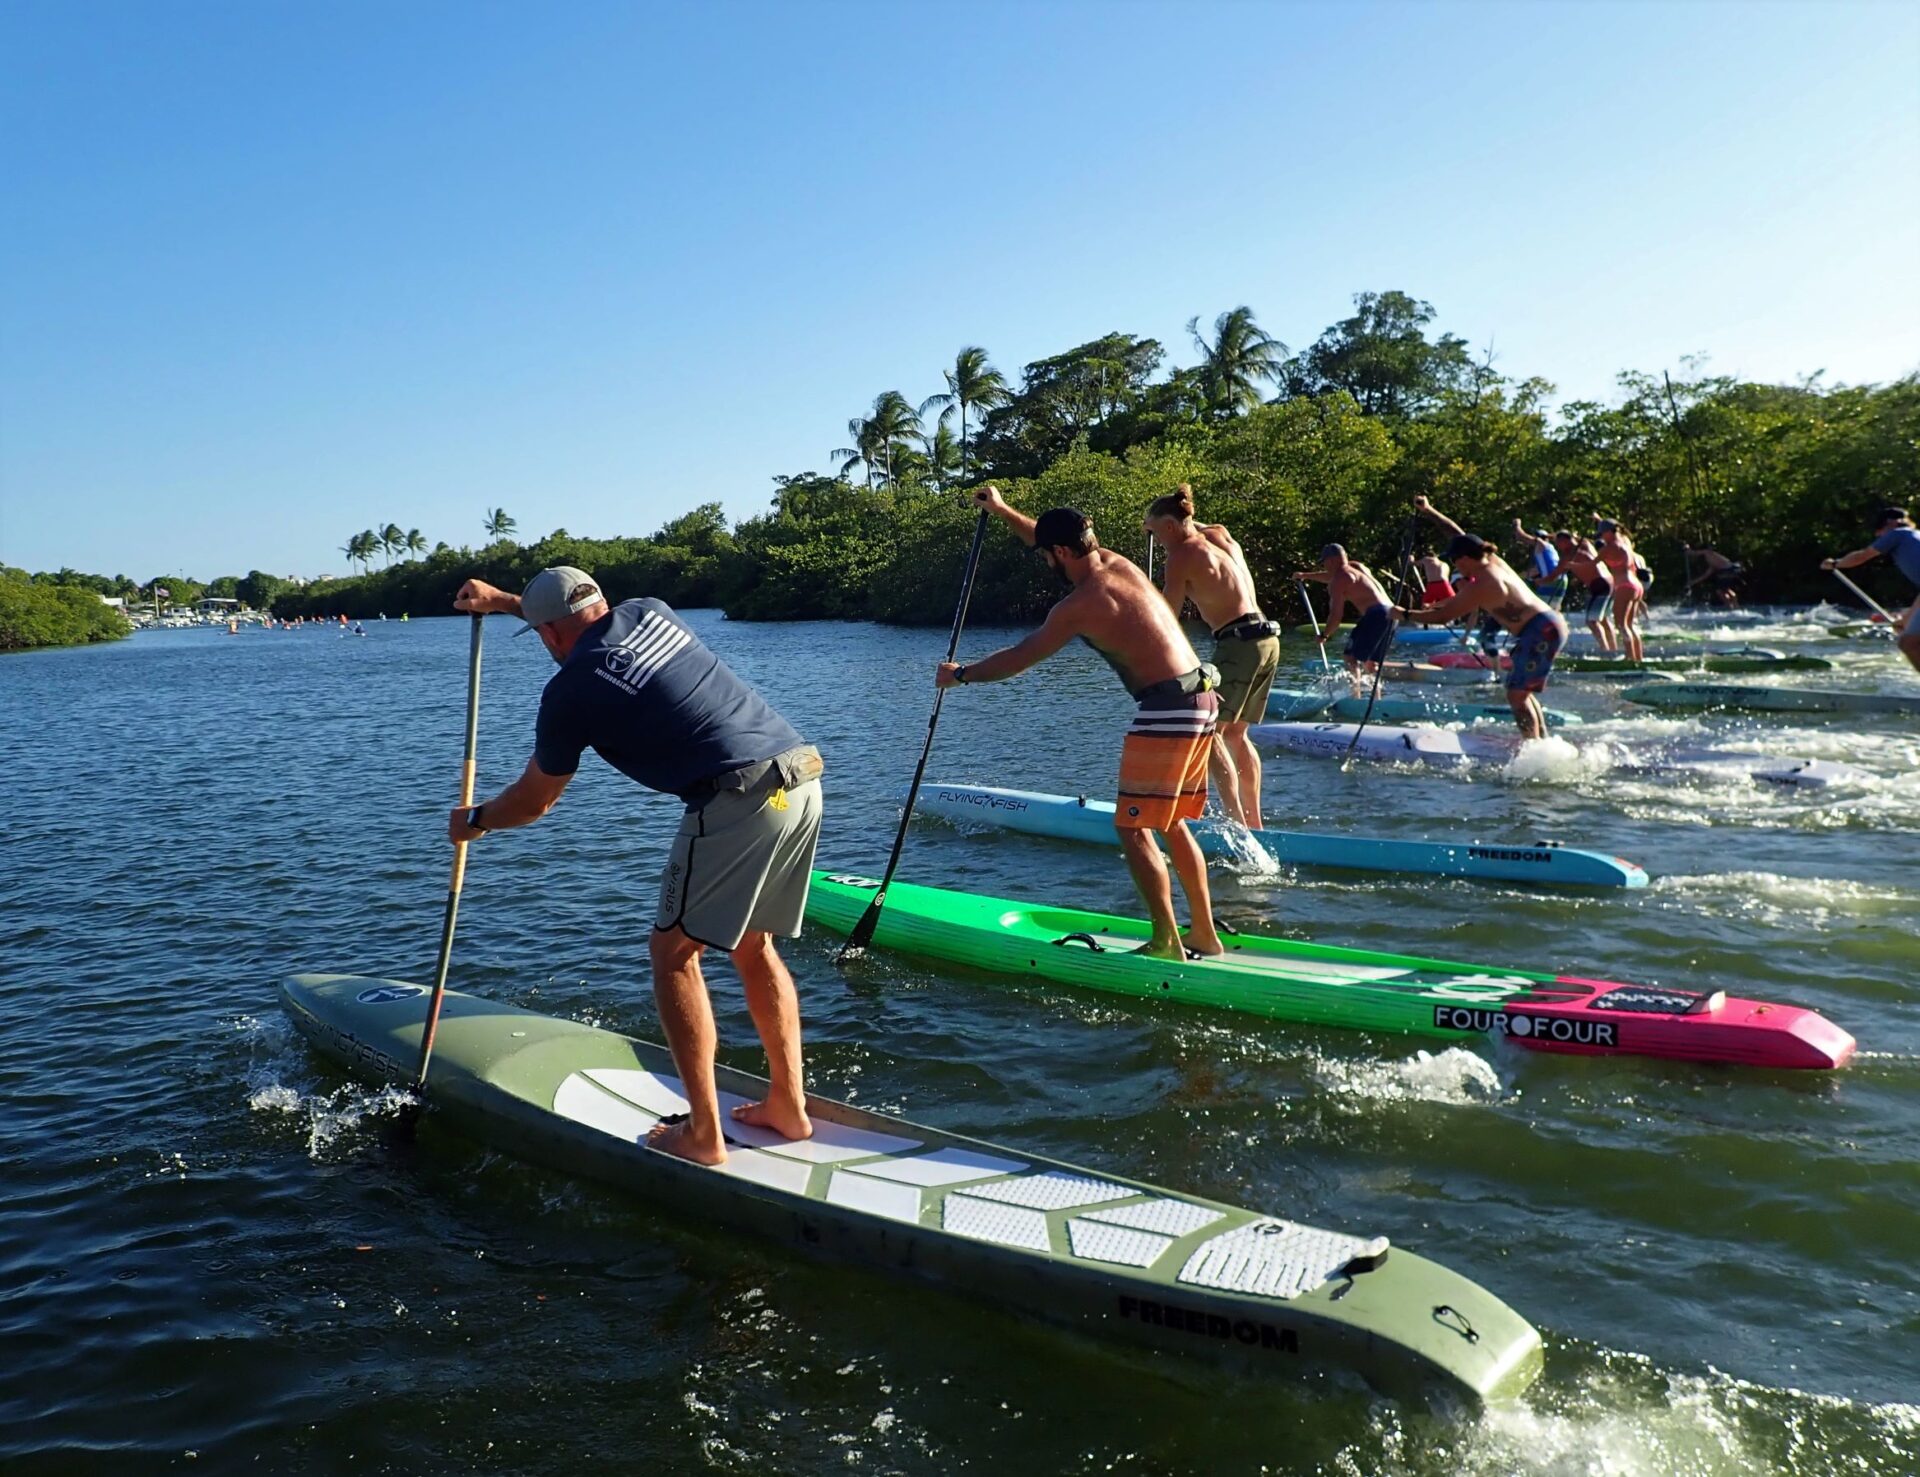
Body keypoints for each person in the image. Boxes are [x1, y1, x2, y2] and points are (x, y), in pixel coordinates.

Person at [449, 566, 825, 1167]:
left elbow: (536, 800)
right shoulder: (651, 610)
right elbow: (574, 620)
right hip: (798, 777)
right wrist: (500, 602)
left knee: (673, 955)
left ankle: (703, 1136)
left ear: (549, 636)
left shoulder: (570, 692)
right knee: (753, 946)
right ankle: (788, 1106)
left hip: (735, 798)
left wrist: (476, 820)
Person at [941, 488, 1223, 960]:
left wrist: (961, 675)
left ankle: (1166, 942)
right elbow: (1047, 535)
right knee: (1171, 823)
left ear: (1063, 553)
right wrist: (1003, 509)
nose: (1044, 561)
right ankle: (1204, 935)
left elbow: (1019, 658)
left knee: (1133, 828)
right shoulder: (1116, 562)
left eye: (1047, 555)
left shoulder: (1078, 607)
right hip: (1203, 697)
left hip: (1168, 710)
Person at [1143, 484, 1280, 830]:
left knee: (1211, 732)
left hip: (1237, 644)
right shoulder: (1220, 536)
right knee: (1237, 734)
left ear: (1172, 528)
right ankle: (1255, 824)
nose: (1158, 542)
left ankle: (1236, 825)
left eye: (1157, 533)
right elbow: (1195, 522)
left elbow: (1169, 617)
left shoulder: (1180, 557)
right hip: (1268, 640)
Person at [1391, 534, 1568, 739]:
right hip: (1545, 625)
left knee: (1516, 695)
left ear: (1465, 558)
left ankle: (1533, 745)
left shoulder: (1484, 582)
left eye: (1454, 560)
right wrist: (1428, 510)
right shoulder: (1494, 563)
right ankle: (1540, 740)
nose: (1455, 565)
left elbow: (1443, 617)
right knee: (1518, 690)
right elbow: (1456, 534)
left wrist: (1403, 614)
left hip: (1541, 630)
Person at [1823, 507, 1920, 674]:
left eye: (1879, 530)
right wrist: (1906, 618)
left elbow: (1862, 556)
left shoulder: (1898, 534)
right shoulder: (1913, 537)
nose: (1877, 535)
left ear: (1891, 523)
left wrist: (1834, 564)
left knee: (1909, 643)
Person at [1296, 543, 1394, 694]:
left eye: (1324, 562)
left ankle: (1356, 697)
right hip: (1393, 614)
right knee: (1370, 662)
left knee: (1350, 657)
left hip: (1376, 614)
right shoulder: (1357, 568)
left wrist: (1325, 635)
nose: (1325, 566)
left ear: (1332, 561)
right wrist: (1306, 576)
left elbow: (1336, 615)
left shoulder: (1339, 581)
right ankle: (1375, 700)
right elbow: (1331, 576)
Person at [1555, 531, 1617, 653]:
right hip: (1609, 582)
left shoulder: (1574, 553)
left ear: (1565, 541)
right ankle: (1612, 649)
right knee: (1603, 619)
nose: (1557, 546)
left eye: (1558, 543)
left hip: (1600, 585)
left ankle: (1605, 650)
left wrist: (1573, 567)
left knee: (1592, 621)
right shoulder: (1585, 544)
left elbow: (1590, 566)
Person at [1595, 518, 1646, 662]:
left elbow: (1591, 564)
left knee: (1621, 625)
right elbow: (1614, 528)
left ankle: (1629, 659)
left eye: (1603, 533)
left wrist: (1572, 566)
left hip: (1625, 586)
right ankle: (1638, 658)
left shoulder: (1610, 547)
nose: (1602, 537)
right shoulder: (1625, 541)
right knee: (1629, 625)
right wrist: (1599, 520)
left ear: (1609, 532)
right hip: (1636, 585)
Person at [1512, 520, 1569, 608]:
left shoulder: (1541, 544)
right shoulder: (1550, 549)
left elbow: (1522, 536)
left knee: (1538, 609)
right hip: (1562, 579)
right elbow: (1534, 571)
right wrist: (1516, 577)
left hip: (1551, 579)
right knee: (1553, 609)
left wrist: (1517, 525)